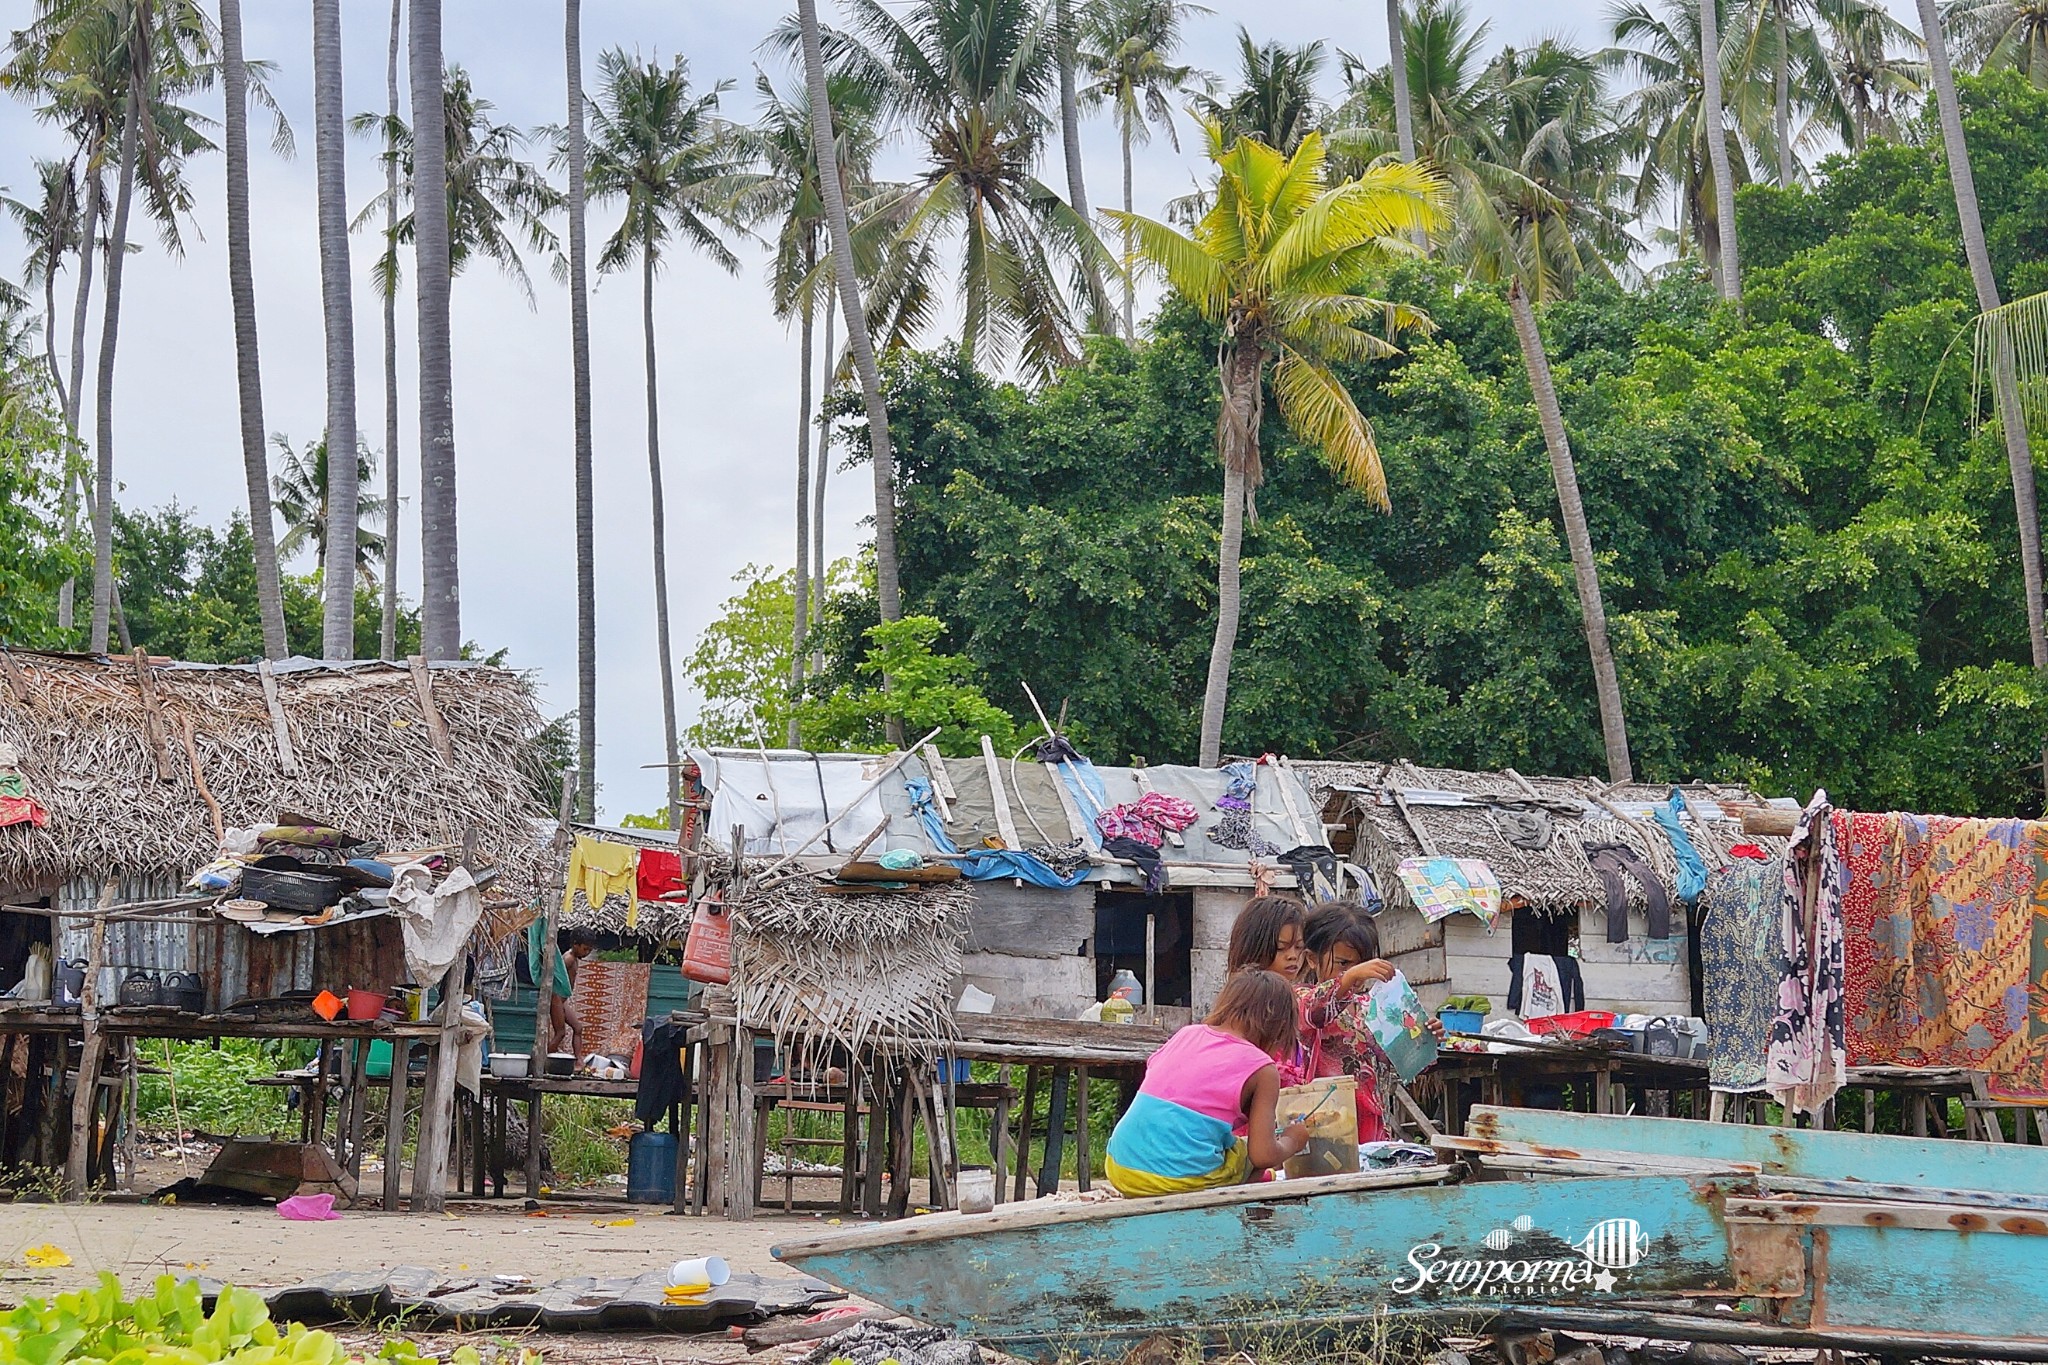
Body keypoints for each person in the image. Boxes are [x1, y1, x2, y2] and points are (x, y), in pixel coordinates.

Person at [1104, 970, 1310, 1196]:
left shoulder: (1186, 1034)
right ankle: (1246, 1207)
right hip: (1176, 1178)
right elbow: (1262, 1154)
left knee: (1228, 1144)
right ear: (1280, 1027)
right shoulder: (1263, 1068)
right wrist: (1293, 1140)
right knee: (1246, 1156)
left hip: (1120, 1165)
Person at [1292, 902, 1444, 1144]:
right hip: (1322, 1130)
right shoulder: (1299, 998)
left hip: (1372, 1129)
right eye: (1344, 963)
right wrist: (1350, 976)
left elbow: (1403, 1062)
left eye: (1362, 963)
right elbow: (1314, 1011)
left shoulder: (1370, 1006)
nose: (1358, 972)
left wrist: (1423, 1038)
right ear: (1311, 959)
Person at [528, 920, 596, 1057]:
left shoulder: (574, 958)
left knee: (578, 1028)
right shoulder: (568, 958)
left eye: (589, 950)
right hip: (556, 998)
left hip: (562, 1001)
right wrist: (554, 1001)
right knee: (560, 1033)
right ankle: (542, 1058)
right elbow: (553, 977)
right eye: (585, 949)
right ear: (575, 944)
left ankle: (578, 1060)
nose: (587, 952)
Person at [1224, 894, 1308, 980]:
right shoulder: (1246, 992)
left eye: (1299, 947)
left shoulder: (1309, 991)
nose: (1292, 956)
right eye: (1280, 948)